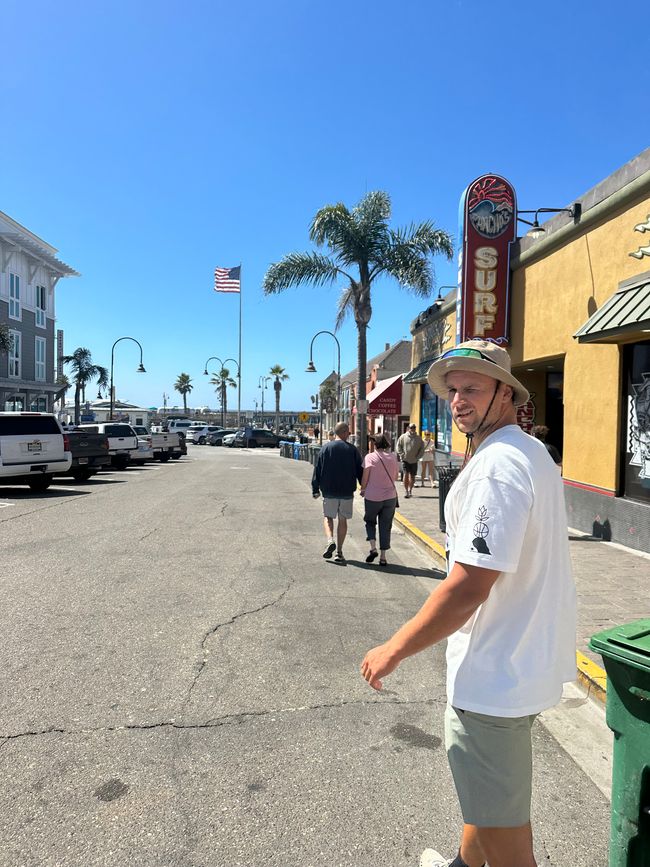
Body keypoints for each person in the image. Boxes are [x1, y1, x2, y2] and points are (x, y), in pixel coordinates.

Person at [360, 339, 576, 867]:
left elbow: (467, 586)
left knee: (508, 842)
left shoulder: (497, 467)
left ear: (507, 393)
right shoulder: (528, 454)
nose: (458, 399)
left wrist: (393, 649)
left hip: (491, 680)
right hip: (518, 667)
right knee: (488, 803)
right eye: (453, 389)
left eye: (472, 387)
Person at [312, 421, 363, 564]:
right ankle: (339, 552)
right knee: (343, 520)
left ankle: (330, 540)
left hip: (329, 490)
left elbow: (318, 470)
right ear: (345, 432)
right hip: (346, 491)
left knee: (328, 517)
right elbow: (360, 471)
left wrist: (315, 489)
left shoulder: (326, 448)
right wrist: (363, 487)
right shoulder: (353, 450)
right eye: (349, 432)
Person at [360, 434, 400, 566]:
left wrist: (363, 489)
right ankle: (383, 557)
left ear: (375, 444)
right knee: (385, 525)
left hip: (372, 496)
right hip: (390, 497)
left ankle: (373, 548)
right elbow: (395, 476)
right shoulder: (393, 457)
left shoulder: (370, 457)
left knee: (370, 521)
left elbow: (365, 477)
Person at [396, 423, 424, 498]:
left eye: (414, 428)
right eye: (411, 428)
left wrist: (418, 457)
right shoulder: (403, 437)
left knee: (412, 476)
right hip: (405, 460)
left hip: (414, 461)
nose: (413, 429)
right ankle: (406, 491)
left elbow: (422, 449)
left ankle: (410, 490)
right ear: (408, 428)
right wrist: (401, 454)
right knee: (406, 474)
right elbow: (398, 446)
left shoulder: (418, 438)